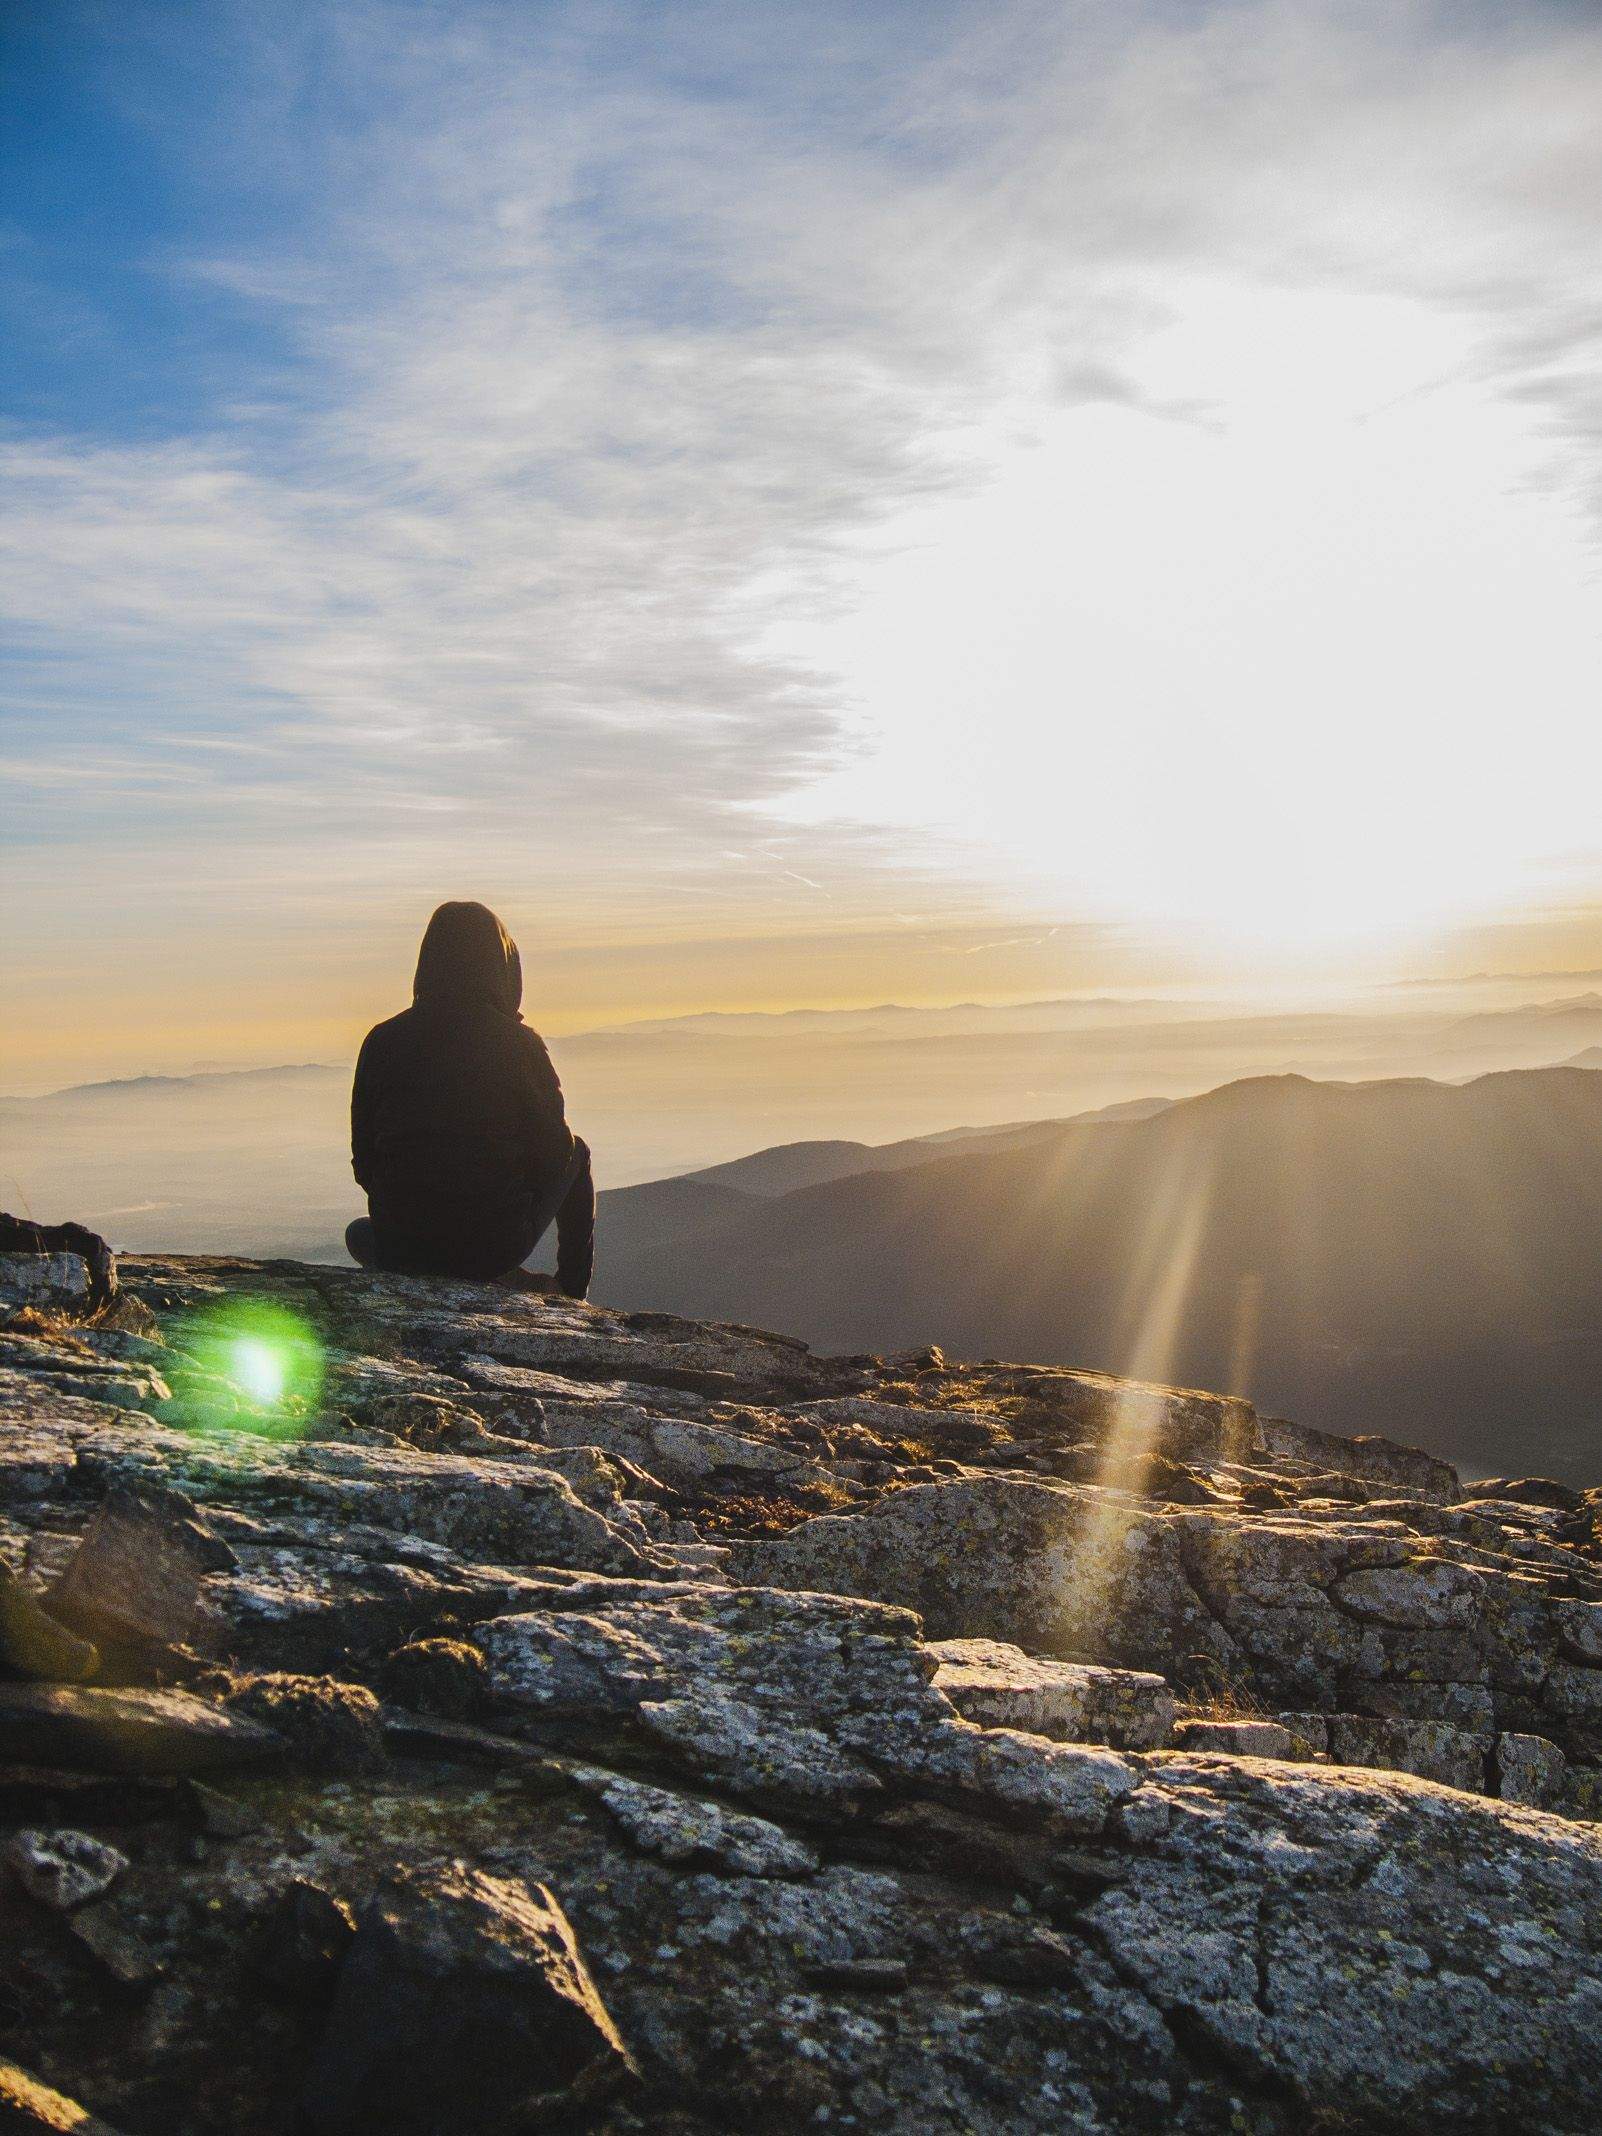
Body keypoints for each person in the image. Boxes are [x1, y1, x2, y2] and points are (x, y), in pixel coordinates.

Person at [345, 900, 594, 1297]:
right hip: (491, 1249)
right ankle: (572, 1294)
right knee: (578, 1154)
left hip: (401, 1246)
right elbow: (554, 1153)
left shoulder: (382, 1040)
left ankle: (432, 1263)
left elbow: (365, 1163)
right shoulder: (518, 1045)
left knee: (360, 1234)